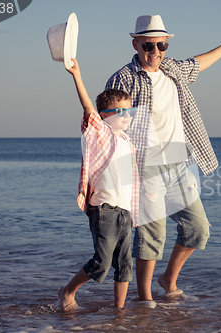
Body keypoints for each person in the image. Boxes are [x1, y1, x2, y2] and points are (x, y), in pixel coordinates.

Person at [105, 15, 221, 303]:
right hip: (146, 167)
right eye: (149, 45)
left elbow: (197, 64)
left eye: (162, 45)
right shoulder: (123, 78)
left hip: (179, 163)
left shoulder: (171, 69)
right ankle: (145, 299)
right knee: (152, 238)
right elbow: (111, 124)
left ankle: (168, 278)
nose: (155, 51)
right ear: (136, 43)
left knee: (198, 229)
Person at [58, 58, 139, 310]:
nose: (127, 116)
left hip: (124, 212)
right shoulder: (100, 134)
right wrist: (76, 75)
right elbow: (87, 107)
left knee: (125, 264)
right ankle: (67, 291)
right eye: (120, 111)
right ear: (104, 116)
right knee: (102, 262)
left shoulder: (128, 142)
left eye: (130, 111)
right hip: (104, 209)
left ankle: (119, 311)